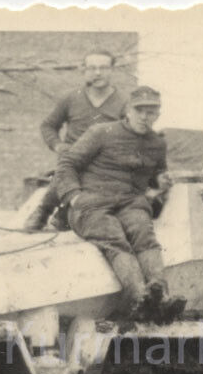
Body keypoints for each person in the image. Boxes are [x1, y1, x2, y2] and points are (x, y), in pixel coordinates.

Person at [54, 85, 185, 322]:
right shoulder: (100, 132)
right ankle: (139, 298)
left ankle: (161, 296)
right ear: (128, 110)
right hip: (93, 202)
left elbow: (157, 172)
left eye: (152, 112)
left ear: (158, 114)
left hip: (131, 202)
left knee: (144, 235)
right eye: (140, 111)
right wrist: (74, 197)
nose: (145, 117)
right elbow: (67, 165)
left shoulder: (157, 143)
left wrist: (161, 179)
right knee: (114, 238)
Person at [23, 50, 128, 230]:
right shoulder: (71, 98)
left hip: (104, 163)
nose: (97, 73)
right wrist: (58, 145)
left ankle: (64, 216)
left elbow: (131, 135)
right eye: (92, 68)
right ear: (84, 71)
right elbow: (48, 125)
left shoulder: (124, 102)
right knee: (66, 170)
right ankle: (43, 211)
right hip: (73, 158)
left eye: (103, 67)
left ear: (112, 70)